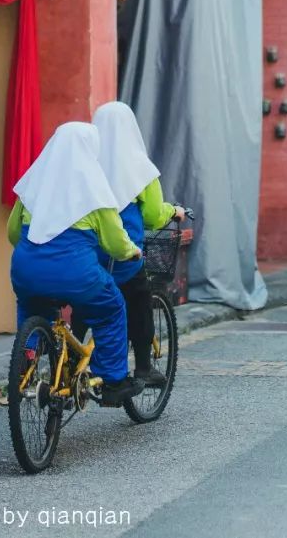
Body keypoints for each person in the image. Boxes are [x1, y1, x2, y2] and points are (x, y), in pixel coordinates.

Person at [7, 122, 145, 406]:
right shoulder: (95, 192)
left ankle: (24, 365)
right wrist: (133, 252)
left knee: (32, 306)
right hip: (77, 275)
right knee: (111, 308)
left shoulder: (32, 187)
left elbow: (12, 234)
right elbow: (115, 244)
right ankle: (114, 381)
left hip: (27, 269)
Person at [89, 101, 185, 388]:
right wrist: (173, 211)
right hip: (124, 255)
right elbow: (154, 216)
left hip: (85, 252)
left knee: (88, 300)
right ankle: (143, 366)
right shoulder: (141, 169)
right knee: (139, 296)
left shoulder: (86, 163)